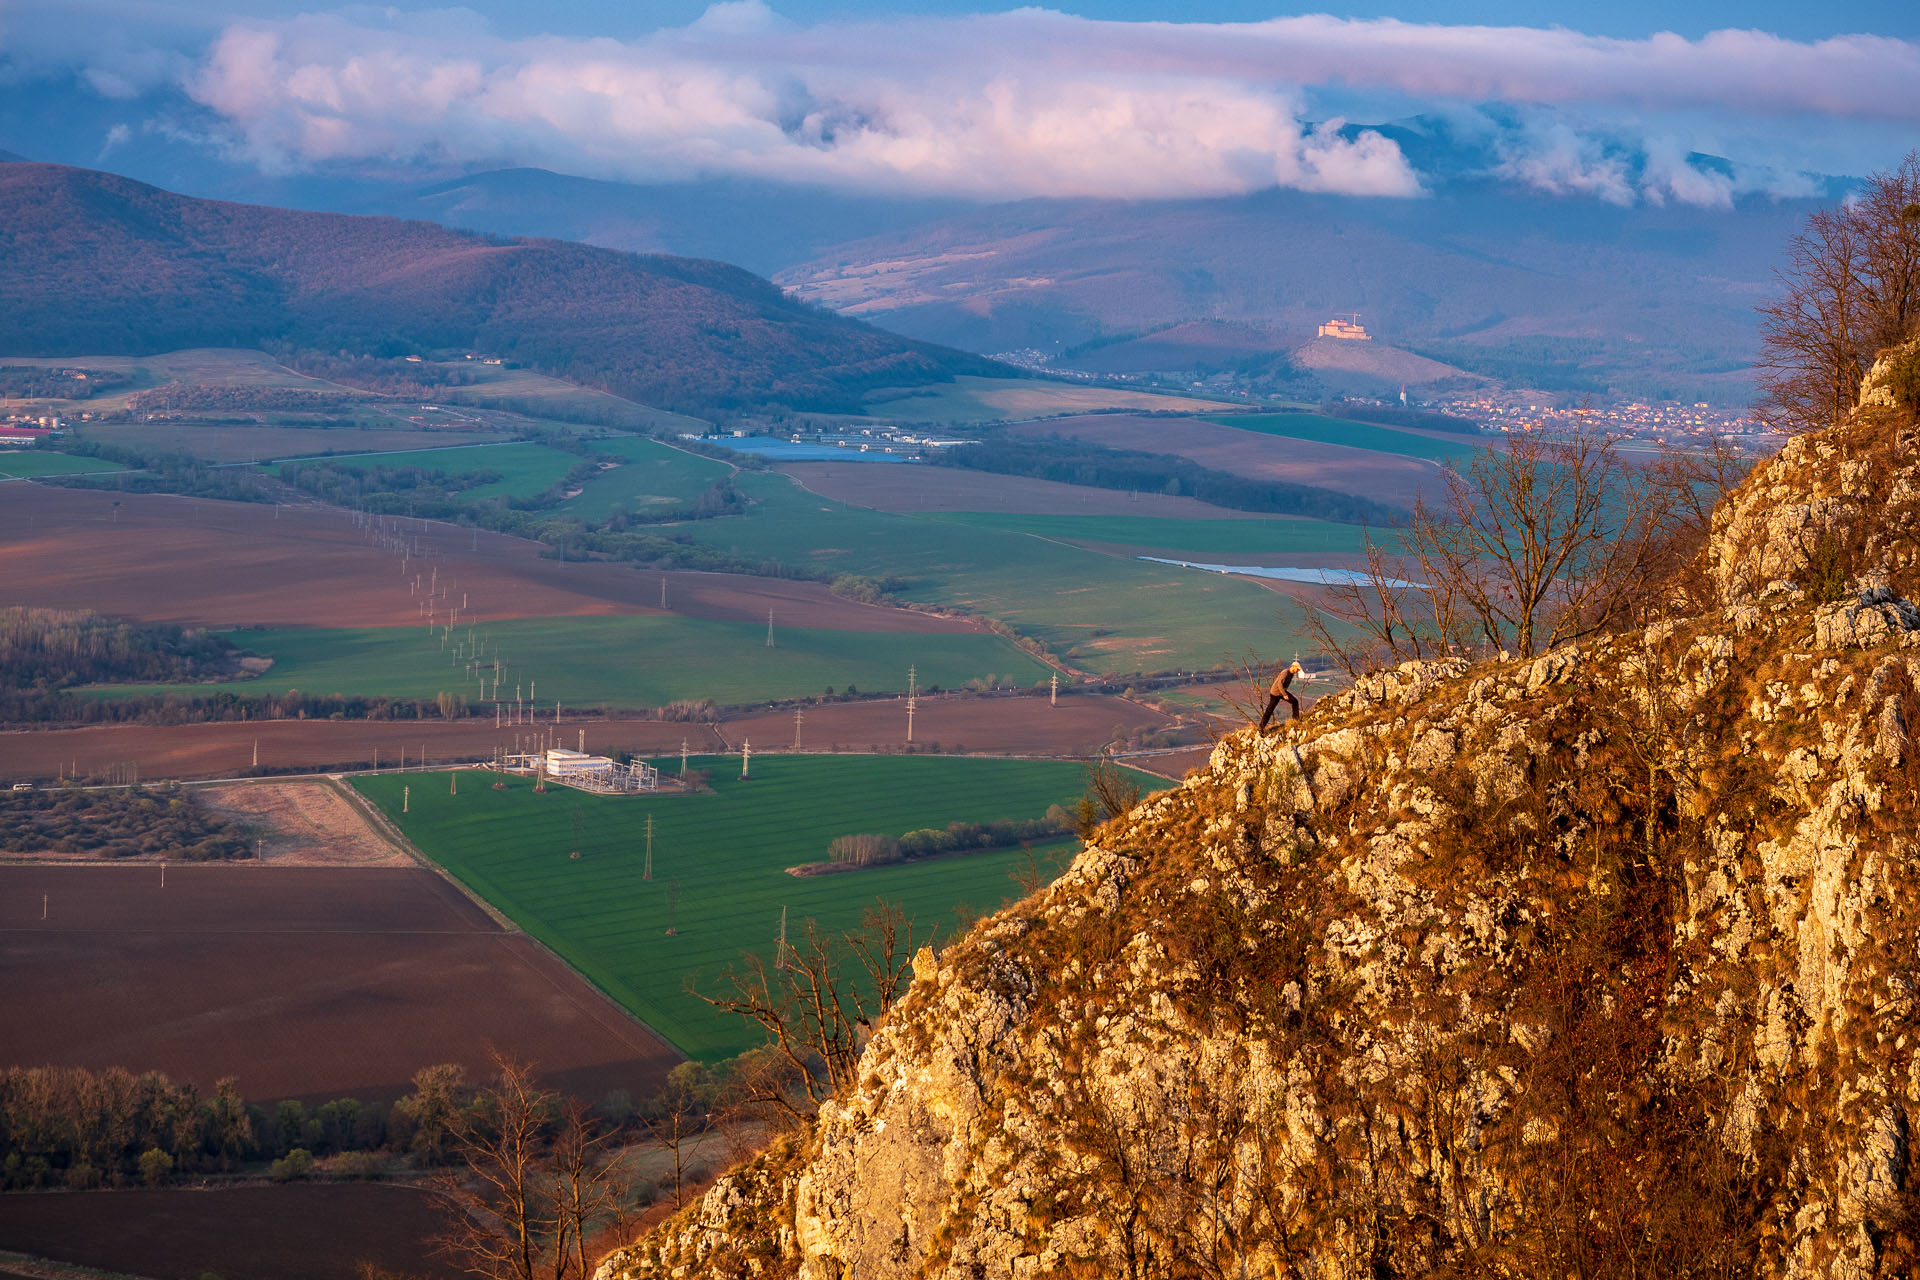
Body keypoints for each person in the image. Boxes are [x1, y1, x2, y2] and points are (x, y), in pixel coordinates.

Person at [1257, 661, 1302, 731]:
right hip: (1275, 693)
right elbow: (1279, 684)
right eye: (1297, 669)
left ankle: (1296, 720)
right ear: (1293, 666)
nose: (1298, 671)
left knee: (1295, 702)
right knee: (1269, 710)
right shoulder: (1285, 672)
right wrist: (1284, 694)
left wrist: (1284, 693)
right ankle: (1261, 727)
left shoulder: (1291, 674)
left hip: (1281, 692)